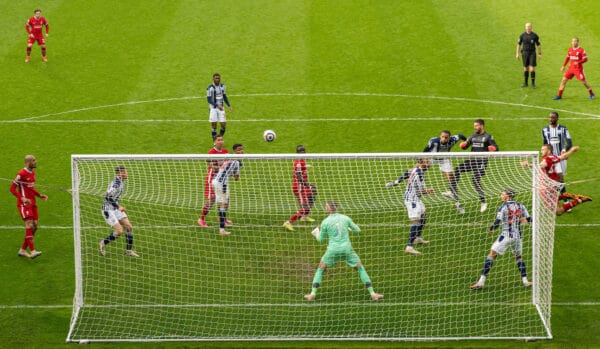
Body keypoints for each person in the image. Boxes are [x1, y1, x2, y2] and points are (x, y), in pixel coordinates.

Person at [304, 201, 383, 301]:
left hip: (333, 250)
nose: (325, 207)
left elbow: (321, 240)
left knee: (321, 269)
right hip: (347, 249)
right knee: (360, 268)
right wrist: (349, 228)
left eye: (326, 206)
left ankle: (312, 294)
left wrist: (316, 233)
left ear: (328, 209)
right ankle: (373, 294)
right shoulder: (345, 218)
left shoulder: (325, 222)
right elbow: (357, 230)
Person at [470, 189, 533, 290]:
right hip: (518, 237)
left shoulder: (503, 207)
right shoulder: (521, 205)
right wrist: (522, 220)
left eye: (502, 194)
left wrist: (491, 229)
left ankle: (481, 282)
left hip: (506, 236)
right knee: (518, 257)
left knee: (491, 255)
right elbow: (530, 219)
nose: (501, 196)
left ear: (507, 197)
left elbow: (497, 222)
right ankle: (525, 281)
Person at [522, 144, 592, 216]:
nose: (541, 151)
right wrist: (572, 150)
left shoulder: (546, 159)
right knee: (553, 201)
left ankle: (579, 200)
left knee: (558, 212)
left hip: (547, 188)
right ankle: (566, 195)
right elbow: (564, 156)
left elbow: (542, 165)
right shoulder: (553, 157)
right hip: (552, 185)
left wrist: (528, 165)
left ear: (548, 151)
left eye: (543, 149)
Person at [386, 158, 434, 255]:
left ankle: (417, 238)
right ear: (422, 163)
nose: (430, 164)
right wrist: (429, 191)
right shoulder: (419, 175)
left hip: (415, 198)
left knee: (424, 215)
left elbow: (407, 172)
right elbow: (420, 191)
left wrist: (396, 182)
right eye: (427, 162)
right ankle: (409, 247)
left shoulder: (416, 168)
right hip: (412, 199)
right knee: (415, 221)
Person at [450, 119, 499, 213]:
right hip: (472, 160)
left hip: (482, 162)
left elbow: (496, 148)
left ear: (482, 126)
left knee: (475, 179)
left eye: (476, 125)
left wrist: (493, 149)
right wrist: (463, 145)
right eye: (474, 125)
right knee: (458, 169)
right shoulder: (472, 136)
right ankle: (452, 191)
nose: (475, 127)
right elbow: (466, 145)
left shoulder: (488, 137)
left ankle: (483, 201)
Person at [10, 155, 47, 259]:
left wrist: (40, 195)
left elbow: (31, 188)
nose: (36, 162)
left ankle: (22, 250)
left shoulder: (32, 173)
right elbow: (12, 189)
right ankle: (32, 250)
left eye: (35, 159)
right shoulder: (21, 174)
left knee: (35, 227)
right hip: (24, 204)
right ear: (27, 162)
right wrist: (22, 198)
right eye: (33, 160)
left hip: (33, 203)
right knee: (29, 225)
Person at [98, 166, 139, 257]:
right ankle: (103, 243)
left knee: (128, 227)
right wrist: (118, 206)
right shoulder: (116, 184)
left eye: (126, 172)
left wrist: (117, 207)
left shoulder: (121, 181)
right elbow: (107, 197)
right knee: (119, 231)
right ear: (118, 174)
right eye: (124, 173)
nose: (126, 174)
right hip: (108, 209)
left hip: (115, 208)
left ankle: (128, 251)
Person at [423, 130, 466, 207]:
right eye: (442, 137)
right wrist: (424, 160)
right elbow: (425, 150)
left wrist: (466, 142)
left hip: (444, 159)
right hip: (432, 158)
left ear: (449, 138)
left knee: (451, 179)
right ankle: (397, 181)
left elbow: (460, 135)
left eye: (446, 137)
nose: (443, 139)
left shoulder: (453, 139)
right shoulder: (434, 142)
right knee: (417, 168)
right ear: (440, 136)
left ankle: (457, 202)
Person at [197, 135, 231, 227]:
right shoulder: (211, 152)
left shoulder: (225, 151)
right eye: (218, 140)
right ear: (214, 142)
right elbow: (210, 165)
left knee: (226, 199)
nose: (221, 141)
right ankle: (201, 219)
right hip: (212, 178)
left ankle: (222, 217)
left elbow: (228, 163)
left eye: (222, 140)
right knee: (212, 199)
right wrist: (221, 168)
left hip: (222, 178)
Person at [283, 145, 317, 231]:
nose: (303, 153)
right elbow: (299, 177)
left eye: (304, 151)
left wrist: (306, 166)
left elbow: (300, 169)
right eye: (301, 152)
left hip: (303, 186)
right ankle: (288, 222)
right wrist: (308, 185)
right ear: (297, 153)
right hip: (299, 188)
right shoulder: (298, 162)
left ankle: (304, 216)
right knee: (304, 207)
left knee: (313, 194)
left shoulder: (302, 161)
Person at [212, 143, 244, 236]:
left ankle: (223, 222)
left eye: (242, 149)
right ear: (234, 151)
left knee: (226, 202)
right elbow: (236, 177)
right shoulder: (237, 162)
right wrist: (236, 176)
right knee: (223, 204)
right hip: (222, 183)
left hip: (216, 181)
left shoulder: (229, 157)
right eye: (238, 150)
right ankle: (222, 230)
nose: (241, 151)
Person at [541, 112, 572, 185]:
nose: (550, 119)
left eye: (553, 117)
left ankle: (561, 194)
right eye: (549, 117)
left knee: (560, 179)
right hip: (550, 158)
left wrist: (564, 150)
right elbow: (545, 144)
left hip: (560, 158)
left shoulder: (563, 129)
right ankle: (561, 194)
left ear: (557, 118)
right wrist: (544, 157)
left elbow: (569, 143)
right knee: (555, 179)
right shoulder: (545, 130)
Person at [206, 73, 232, 139]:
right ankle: (215, 141)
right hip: (213, 108)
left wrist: (229, 105)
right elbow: (209, 100)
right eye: (216, 78)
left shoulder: (223, 86)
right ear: (213, 79)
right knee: (214, 126)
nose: (218, 79)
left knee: (223, 125)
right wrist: (217, 105)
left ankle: (219, 138)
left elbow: (224, 96)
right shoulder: (209, 88)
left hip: (221, 108)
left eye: (218, 78)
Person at [516, 22, 542, 88]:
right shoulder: (522, 35)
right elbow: (519, 44)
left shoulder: (535, 35)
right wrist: (517, 53)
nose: (528, 28)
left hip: (532, 53)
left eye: (529, 26)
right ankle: (526, 83)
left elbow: (538, 45)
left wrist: (539, 54)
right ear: (525, 27)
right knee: (525, 68)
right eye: (527, 26)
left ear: (531, 27)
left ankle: (533, 84)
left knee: (532, 68)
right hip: (524, 53)